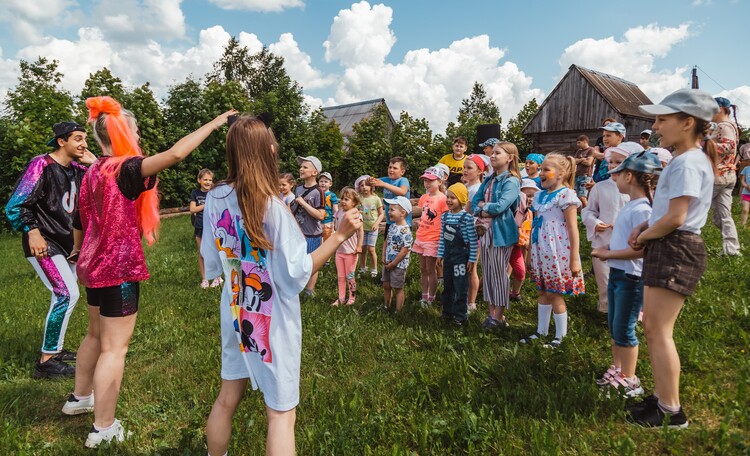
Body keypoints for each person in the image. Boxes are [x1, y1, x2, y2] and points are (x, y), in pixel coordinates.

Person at [60, 96, 235, 448]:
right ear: (122, 131)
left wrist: (78, 251)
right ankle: (103, 428)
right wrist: (215, 124)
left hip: (92, 264)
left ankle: (80, 398)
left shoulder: (92, 169)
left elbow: (79, 220)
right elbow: (174, 155)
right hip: (118, 268)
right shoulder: (125, 168)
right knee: (114, 348)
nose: (138, 132)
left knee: (94, 335)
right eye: (135, 127)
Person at [200, 115, 363, 456]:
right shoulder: (272, 206)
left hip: (235, 312)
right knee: (280, 414)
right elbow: (297, 275)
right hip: (271, 322)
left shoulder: (214, 198)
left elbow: (213, 261)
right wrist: (341, 237)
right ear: (269, 151)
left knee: (227, 397)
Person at [626, 88, 719, 428]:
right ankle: (663, 398)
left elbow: (677, 217)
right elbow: (667, 212)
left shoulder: (688, 162)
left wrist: (645, 234)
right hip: (669, 243)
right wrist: (648, 226)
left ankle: (670, 411)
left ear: (688, 122)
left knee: (658, 330)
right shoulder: (685, 160)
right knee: (653, 327)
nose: (656, 125)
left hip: (675, 246)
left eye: (663, 119)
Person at [5, 121, 95, 379]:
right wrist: (32, 231)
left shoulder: (78, 169)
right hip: (44, 243)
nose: (84, 144)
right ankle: (47, 361)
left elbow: (107, 180)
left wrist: (94, 162)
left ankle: (56, 349)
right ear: (61, 141)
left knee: (66, 295)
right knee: (66, 294)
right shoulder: (40, 165)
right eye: (78, 138)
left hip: (67, 243)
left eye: (85, 139)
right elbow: (15, 205)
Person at [591, 151, 661, 398]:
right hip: (618, 274)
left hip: (631, 278)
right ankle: (618, 369)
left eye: (616, 174)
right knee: (614, 325)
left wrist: (607, 255)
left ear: (629, 176)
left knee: (624, 328)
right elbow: (623, 241)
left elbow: (638, 251)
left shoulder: (642, 210)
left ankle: (630, 380)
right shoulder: (631, 206)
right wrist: (607, 249)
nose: (613, 179)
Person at [520, 153, 584, 348]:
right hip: (541, 249)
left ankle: (560, 336)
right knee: (542, 290)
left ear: (561, 173)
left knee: (555, 293)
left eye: (546, 169)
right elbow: (536, 225)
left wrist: (574, 259)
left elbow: (573, 229)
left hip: (558, 251)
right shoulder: (539, 195)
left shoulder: (566, 195)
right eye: (541, 169)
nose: (541, 173)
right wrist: (530, 253)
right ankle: (541, 331)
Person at [581, 143, 641, 313]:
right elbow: (588, 211)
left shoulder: (636, 191)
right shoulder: (600, 187)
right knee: (605, 278)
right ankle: (607, 309)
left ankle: (629, 312)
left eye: (618, 162)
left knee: (628, 278)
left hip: (628, 244)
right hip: (603, 240)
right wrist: (595, 223)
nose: (613, 166)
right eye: (611, 162)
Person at [471, 141, 522, 329]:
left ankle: (498, 317)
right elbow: (476, 201)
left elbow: (501, 206)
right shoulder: (489, 179)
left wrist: (485, 208)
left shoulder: (512, 181)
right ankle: (491, 312)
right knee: (489, 273)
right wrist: (482, 209)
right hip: (485, 231)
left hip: (501, 233)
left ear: (509, 158)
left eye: (497, 153)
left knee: (499, 274)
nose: (492, 156)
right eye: (492, 153)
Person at [437, 183, 478, 325]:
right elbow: (443, 237)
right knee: (447, 285)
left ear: (461, 200)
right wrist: (440, 254)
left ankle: (460, 315)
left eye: (452, 198)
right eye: (447, 197)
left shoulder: (466, 218)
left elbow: (472, 241)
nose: (448, 200)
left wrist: (471, 259)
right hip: (448, 256)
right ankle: (447, 312)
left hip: (461, 256)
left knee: (460, 286)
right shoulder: (445, 217)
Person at [709, 96, 741, 256]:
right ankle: (732, 250)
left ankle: (684, 245)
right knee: (721, 216)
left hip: (718, 175)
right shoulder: (731, 125)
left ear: (720, 109)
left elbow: (729, 146)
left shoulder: (723, 126)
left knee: (692, 207)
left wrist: (706, 144)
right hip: (728, 175)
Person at [290, 156, 325, 297]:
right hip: (298, 234)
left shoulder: (319, 191)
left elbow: (321, 215)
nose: (301, 169)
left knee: (311, 264)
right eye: (301, 166)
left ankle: (309, 290)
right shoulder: (298, 189)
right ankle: (297, 287)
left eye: (305, 167)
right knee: (297, 262)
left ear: (314, 172)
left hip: (312, 235)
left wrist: (303, 203)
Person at [414, 166, 448, 306]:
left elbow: (444, 220)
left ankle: (431, 297)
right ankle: (424, 295)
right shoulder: (424, 197)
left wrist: (442, 240)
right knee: (422, 269)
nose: (427, 183)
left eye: (431, 180)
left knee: (430, 269)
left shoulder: (443, 199)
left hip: (433, 238)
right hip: (421, 236)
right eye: (425, 180)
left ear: (439, 182)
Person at [332, 187, 364, 306]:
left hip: (351, 252)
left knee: (350, 276)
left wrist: (359, 245)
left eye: (347, 199)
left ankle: (352, 297)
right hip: (339, 251)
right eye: (342, 199)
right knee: (340, 276)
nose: (343, 201)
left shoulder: (356, 214)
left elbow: (360, 231)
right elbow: (335, 228)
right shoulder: (338, 213)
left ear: (354, 203)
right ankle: (341, 298)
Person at [508, 178, 539, 300]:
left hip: (516, 247)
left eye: (533, 196)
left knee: (521, 271)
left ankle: (515, 293)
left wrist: (526, 241)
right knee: (497, 271)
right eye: (527, 195)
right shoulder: (512, 211)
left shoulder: (530, 213)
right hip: (505, 245)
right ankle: (480, 288)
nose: (530, 198)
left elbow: (527, 230)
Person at [462, 154, 486, 312]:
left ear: (479, 171)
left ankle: (471, 302)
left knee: (471, 267)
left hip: (471, 231)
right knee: (466, 266)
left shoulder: (476, 189)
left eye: (469, 168)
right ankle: (465, 297)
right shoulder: (468, 187)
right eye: (464, 167)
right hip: (464, 230)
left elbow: (467, 211)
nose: (464, 170)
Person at [382, 196, 413, 312]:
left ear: (403, 213)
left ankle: (398, 311)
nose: (389, 212)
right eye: (389, 209)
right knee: (386, 285)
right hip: (388, 262)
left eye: (392, 210)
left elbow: (404, 251)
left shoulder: (406, 231)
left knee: (397, 288)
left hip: (398, 265)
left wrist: (394, 263)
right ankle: (386, 305)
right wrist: (383, 255)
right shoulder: (392, 226)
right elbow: (386, 241)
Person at [190, 168, 219, 289]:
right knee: (202, 253)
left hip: (213, 227)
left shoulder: (214, 193)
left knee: (214, 252)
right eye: (205, 179)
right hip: (200, 226)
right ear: (199, 180)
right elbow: (192, 209)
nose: (207, 182)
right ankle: (205, 279)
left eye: (210, 180)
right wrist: (205, 205)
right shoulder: (195, 193)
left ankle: (217, 278)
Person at [369, 157, 411, 232]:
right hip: (390, 221)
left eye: (395, 168)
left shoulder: (403, 180)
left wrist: (384, 184)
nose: (391, 170)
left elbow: (402, 192)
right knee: (388, 242)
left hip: (403, 223)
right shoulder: (386, 179)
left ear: (402, 171)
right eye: (390, 167)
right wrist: (370, 180)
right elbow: (372, 181)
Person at [355, 175, 384, 278]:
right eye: (362, 185)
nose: (364, 187)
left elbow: (381, 214)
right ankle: (363, 268)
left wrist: (377, 223)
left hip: (372, 228)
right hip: (362, 229)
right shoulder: (359, 199)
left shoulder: (376, 199)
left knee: (371, 249)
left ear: (371, 186)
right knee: (362, 249)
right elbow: (356, 210)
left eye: (367, 185)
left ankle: (374, 269)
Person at [573, 135, 596, 208]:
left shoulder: (591, 150)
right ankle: (580, 214)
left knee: (583, 197)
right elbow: (574, 162)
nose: (577, 145)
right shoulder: (578, 151)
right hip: (577, 175)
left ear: (585, 141)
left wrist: (579, 160)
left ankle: (587, 212)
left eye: (579, 142)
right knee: (576, 197)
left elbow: (589, 163)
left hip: (585, 175)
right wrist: (582, 159)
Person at [318, 172, 338, 243]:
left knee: (327, 242)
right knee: (319, 242)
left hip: (328, 222)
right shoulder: (317, 193)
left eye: (326, 182)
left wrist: (336, 222)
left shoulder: (332, 195)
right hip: (317, 222)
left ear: (330, 184)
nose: (323, 183)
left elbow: (335, 210)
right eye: (321, 181)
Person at [741, 163, 750, 228]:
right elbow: (742, 181)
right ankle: (743, 225)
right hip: (746, 192)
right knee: (745, 209)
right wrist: (746, 186)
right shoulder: (746, 168)